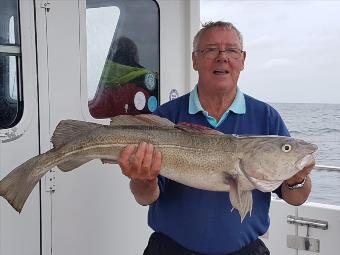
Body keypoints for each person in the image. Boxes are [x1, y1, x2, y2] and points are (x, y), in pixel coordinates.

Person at [117, 21, 315, 255]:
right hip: (170, 249)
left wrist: (296, 180)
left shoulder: (266, 117)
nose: (222, 57)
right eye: (211, 49)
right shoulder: (167, 116)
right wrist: (143, 179)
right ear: (195, 60)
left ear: (242, 60)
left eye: (231, 50)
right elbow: (145, 198)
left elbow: (296, 198)